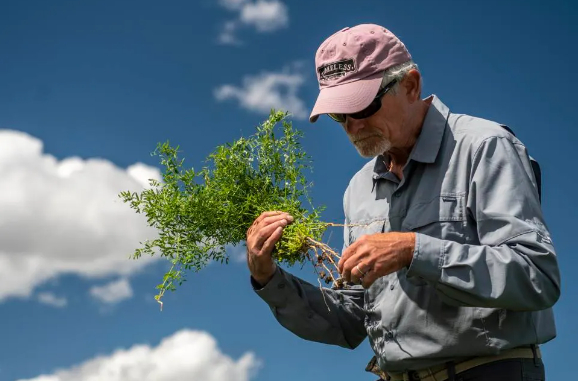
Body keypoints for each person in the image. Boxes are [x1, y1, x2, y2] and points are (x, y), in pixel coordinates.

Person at [245, 24, 560, 381]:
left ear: (410, 85)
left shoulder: (483, 147)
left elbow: (536, 276)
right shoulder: (359, 188)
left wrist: (413, 250)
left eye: (362, 105)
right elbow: (351, 320)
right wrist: (268, 277)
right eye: (339, 114)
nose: (352, 125)